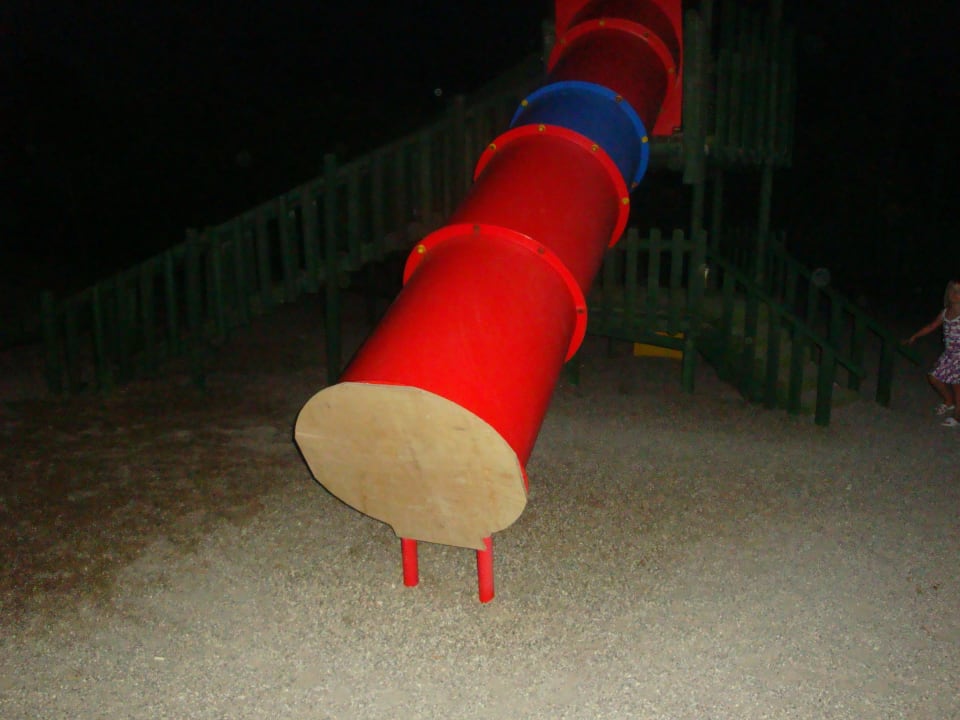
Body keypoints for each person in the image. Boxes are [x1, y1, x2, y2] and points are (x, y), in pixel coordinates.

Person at [906, 279, 960, 426]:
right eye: (952, 290)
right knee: (933, 377)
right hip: (949, 354)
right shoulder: (945, 313)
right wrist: (915, 336)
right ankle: (949, 402)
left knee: (957, 386)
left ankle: (957, 417)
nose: (954, 293)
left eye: (958, 291)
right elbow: (931, 326)